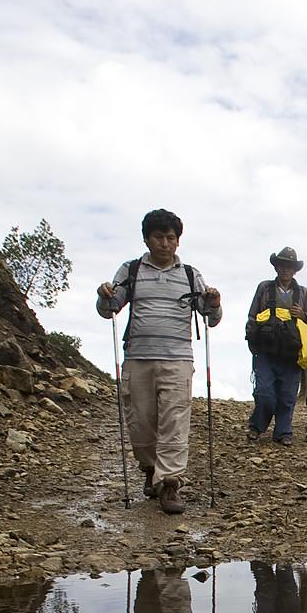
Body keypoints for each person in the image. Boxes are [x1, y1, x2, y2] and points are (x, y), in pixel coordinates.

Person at [96, 209, 222, 515]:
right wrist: (104, 296)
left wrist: (215, 304)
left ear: (178, 241)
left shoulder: (191, 275)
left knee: (174, 423)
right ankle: (150, 469)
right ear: (146, 239)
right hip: (137, 358)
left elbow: (211, 318)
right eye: (158, 237)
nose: (165, 243)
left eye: (170, 238)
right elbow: (109, 309)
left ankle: (169, 484)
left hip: (178, 359)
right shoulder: (131, 270)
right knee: (141, 423)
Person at [245, 246, 307, 445]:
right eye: (282, 265)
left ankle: (283, 433)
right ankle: (256, 426)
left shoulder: (303, 294)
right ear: (277, 267)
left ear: (295, 269)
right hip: (266, 350)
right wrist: (251, 340)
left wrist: (304, 315)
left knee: (288, 395)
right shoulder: (264, 288)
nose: (285, 269)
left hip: (291, 353)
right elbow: (252, 315)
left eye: (289, 266)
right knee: (264, 392)